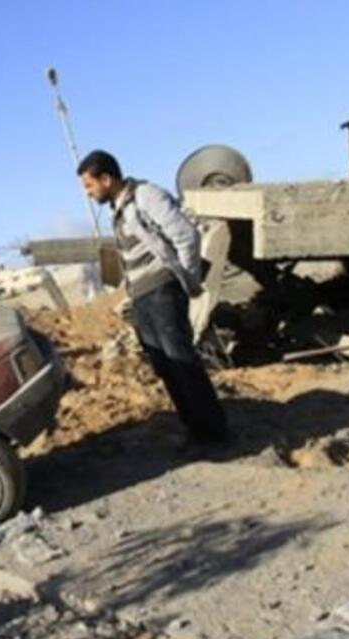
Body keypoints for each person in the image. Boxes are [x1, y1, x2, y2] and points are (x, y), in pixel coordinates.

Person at [77, 149, 230, 447]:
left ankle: (214, 433)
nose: (89, 193)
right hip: (143, 297)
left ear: (106, 179)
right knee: (166, 367)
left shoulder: (146, 196)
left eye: (89, 185)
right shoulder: (120, 211)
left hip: (163, 291)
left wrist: (186, 278)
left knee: (182, 362)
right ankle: (195, 431)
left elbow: (186, 235)